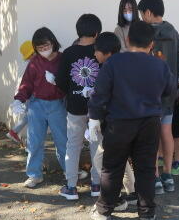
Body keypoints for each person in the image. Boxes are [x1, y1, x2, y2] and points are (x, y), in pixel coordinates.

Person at [88, 21, 176, 220]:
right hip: (149, 122)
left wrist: (94, 117)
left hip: (119, 123)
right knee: (146, 168)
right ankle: (147, 215)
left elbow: (100, 93)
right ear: (151, 44)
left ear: (127, 40)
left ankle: (104, 211)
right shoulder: (159, 65)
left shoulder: (114, 63)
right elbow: (170, 90)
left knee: (112, 167)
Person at [138, 0, 179, 194]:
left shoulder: (144, 32)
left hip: (148, 92)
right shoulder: (172, 31)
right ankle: (168, 174)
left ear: (149, 12)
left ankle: (155, 177)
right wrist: (172, 77)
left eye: (142, 14)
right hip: (168, 91)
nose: (141, 18)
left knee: (151, 134)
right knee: (166, 131)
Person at [11, 27, 67, 187]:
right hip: (37, 105)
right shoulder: (35, 62)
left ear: (53, 43)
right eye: (40, 48)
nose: (44, 50)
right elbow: (26, 84)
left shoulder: (63, 59)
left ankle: (69, 171)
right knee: (34, 142)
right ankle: (34, 174)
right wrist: (19, 100)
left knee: (63, 141)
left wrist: (57, 82)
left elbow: (70, 82)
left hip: (58, 104)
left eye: (46, 46)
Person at [57, 14, 103, 200]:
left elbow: (61, 81)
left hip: (75, 107)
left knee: (73, 145)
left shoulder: (68, 53)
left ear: (78, 31)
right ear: (97, 33)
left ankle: (71, 187)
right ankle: (96, 185)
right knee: (97, 145)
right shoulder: (101, 50)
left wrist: (71, 92)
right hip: (97, 108)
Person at [91, 32, 138, 208]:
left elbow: (100, 97)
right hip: (133, 121)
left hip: (115, 124)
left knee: (100, 161)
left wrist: (94, 119)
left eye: (96, 50)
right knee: (122, 160)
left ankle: (115, 199)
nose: (94, 54)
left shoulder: (108, 68)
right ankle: (132, 192)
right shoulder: (128, 63)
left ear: (107, 52)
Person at [7, 40, 35, 146]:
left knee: (29, 118)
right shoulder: (32, 66)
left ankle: (14, 132)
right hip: (30, 96)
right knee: (31, 120)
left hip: (28, 96)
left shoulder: (30, 65)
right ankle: (28, 143)